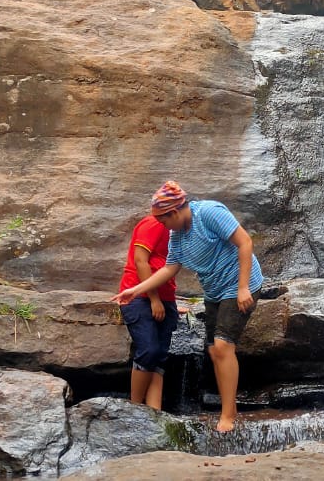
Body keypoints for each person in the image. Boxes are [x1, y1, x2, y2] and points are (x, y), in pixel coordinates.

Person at [112, 181, 263, 433]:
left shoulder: (209, 213)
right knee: (214, 350)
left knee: (223, 346)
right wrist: (135, 290)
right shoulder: (177, 236)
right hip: (214, 291)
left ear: (174, 212)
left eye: (163, 220)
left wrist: (243, 287)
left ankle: (228, 415)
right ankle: (228, 409)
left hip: (239, 285)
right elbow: (169, 269)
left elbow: (245, 242)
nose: (162, 226)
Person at [118, 213, 180, 410]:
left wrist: (168, 301)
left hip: (166, 298)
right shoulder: (154, 223)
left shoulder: (177, 229)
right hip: (140, 297)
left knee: (159, 356)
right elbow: (140, 261)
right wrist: (154, 299)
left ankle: (155, 414)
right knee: (149, 350)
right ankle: (134, 409)